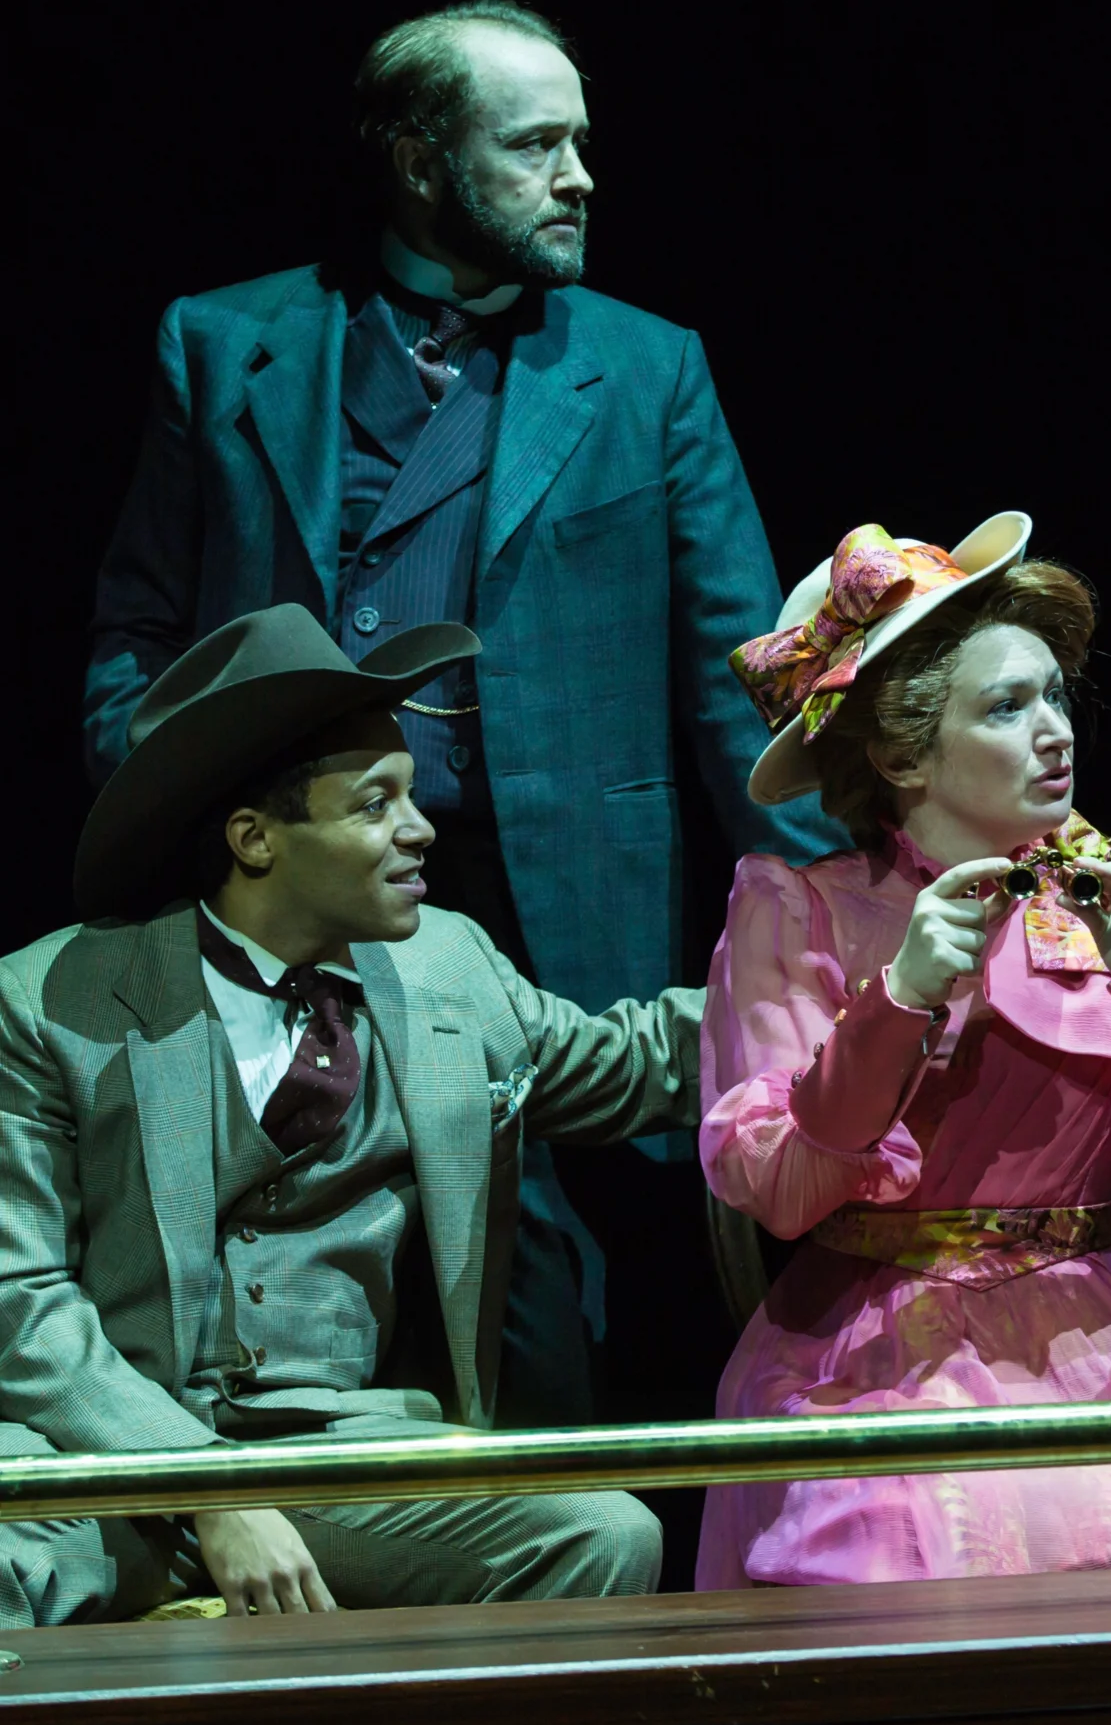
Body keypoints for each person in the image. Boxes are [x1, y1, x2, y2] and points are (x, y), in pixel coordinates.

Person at [83, 0, 840, 1425]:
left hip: (545, 908)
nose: (581, 176)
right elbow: (137, 628)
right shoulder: (225, 343)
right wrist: (160, 829)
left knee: (539, 1311)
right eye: (536, 144)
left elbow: (741, 683)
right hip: (276, 892)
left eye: (584, 141)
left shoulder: (645, 363)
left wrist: (816, 915)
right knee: (277, 1278)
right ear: (422, 161)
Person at [1, 606, 703, 1625]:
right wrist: (204, 1487)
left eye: (412, 798)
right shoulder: (53, 996)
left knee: (603, 1534)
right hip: (114, 1453)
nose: (420, 830)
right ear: (255, 840)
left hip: (344, 1459)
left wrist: (845, 973)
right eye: (376, 805)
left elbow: (639, 1062)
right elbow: (18, 1300)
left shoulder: (451, 968)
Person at [694, 515, 1111, 1587]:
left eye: (1055, 696)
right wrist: (899, 1000)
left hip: (1099, 1335)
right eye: (1006, 706)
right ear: (899, 754)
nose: (1055, 732)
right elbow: (777, 1186)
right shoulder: (799, 912)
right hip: (873, 1346)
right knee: (914, 1545)